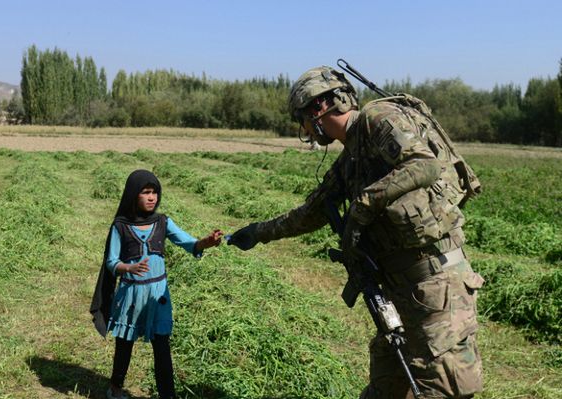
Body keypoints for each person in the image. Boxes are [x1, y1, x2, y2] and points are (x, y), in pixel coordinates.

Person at [228, 66, 484, 398]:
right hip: (399, 289)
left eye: (301, 119)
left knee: (442, 389)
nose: (303, 128)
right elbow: (311, 212)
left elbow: (423, 164)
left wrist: (363, 206)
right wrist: (258, 232)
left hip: (436, 284)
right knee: (384, 389)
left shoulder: (377, 117)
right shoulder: (351, 158)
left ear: (318, 108)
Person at [90, 169, 223, 399]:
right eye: (145, 193)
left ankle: (167, 395)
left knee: (162, 345)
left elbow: (189, 242)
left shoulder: (163, 222)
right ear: (133, 195)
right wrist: (128, 268)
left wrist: (207, 242)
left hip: (159, 294)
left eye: (155, 193)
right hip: (131, 294)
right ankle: (115, 388)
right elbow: (111, 261)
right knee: (125, 343)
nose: (152, 197)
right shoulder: (120, 226)